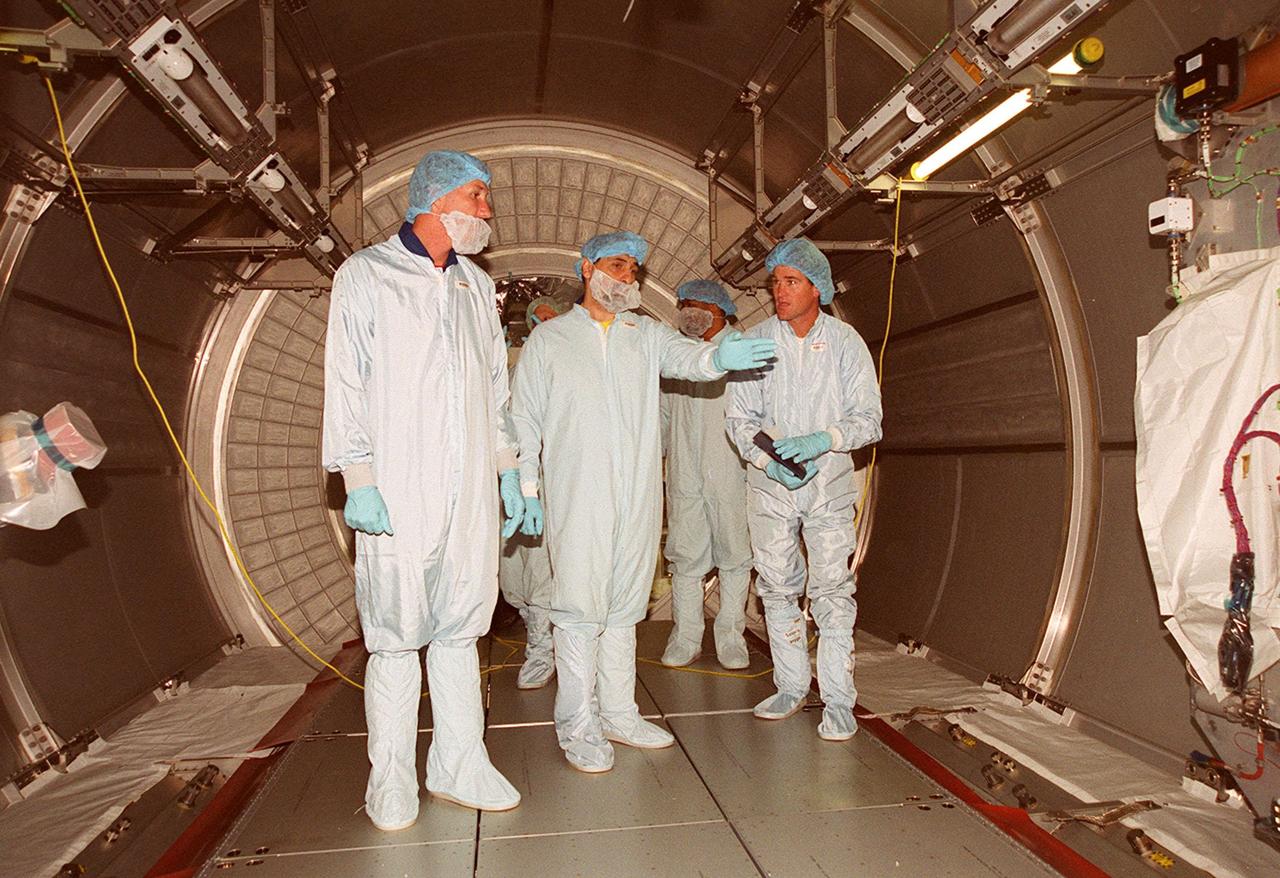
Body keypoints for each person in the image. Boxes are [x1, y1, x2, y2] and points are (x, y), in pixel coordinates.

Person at [510, 231, 776, 773]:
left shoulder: (644, 334)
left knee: (626, 606)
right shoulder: (551, 340)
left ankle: (619, 713)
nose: (627, 276)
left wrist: (719, 356)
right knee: (580, 611)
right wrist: (527, 486)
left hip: (636, 496)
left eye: (634, 269)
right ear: (587, 268)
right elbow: (525, 422)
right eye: (616, 265)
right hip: (576, 494)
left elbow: (688, 359)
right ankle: (578, 726)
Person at [323, 149, 523, 829]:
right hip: (397, 491)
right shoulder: (367, 276)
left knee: (462, 628)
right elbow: (346, 384)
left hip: (469, 491)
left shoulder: (474, 288)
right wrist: (358, 478)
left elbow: (496, 390)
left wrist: (509, 473)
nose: (487, 211)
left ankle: (459, 763)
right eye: (478, 196)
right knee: (396, 635)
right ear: (436, 201)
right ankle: (392, 778)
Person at [725, 237, 882, 742]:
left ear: (818, 287)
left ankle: (838, 699)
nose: (780, 291)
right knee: (775, 584)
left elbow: (869, 419)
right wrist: (766, 461)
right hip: (771, 487)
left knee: (833, 588)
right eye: (776, 282)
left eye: (791, 281)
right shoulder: (757, 343)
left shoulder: (845, 342)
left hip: (830, 485)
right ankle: (791, 684)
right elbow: (739, 418)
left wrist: (824, 440)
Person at [659, 280, 753, 670]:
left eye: (694, 304)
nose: (686, 311)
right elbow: (664, 414)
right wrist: (656, 462)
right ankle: (686, 636)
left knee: (734, 553)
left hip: (731, 469)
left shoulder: (743, 350)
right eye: (682, 305)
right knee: (685, 556)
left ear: (719, 309)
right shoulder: (676, 354)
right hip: (684, 472)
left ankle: (731, 636)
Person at [498, 295, 568, 689]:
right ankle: (533, 628)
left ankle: (542, 651)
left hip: (549, 482)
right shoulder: (512, 369)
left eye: (551, 320)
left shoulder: (566, 368)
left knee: (542, 571)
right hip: (511, 481)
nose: (544, 327)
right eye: (537, 321)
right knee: (512, 574)